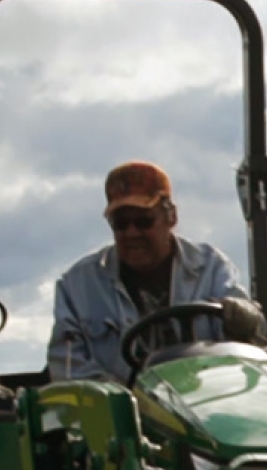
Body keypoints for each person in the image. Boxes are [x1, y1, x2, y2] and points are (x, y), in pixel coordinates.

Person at [47, 161, 248, 382]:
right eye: (120, 223)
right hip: (121, 411)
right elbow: (68, 370)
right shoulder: (77, 287)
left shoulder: (211, 268)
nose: (132, 233)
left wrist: (244, 318)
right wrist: (125, 401)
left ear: (171, 217)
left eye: (144, 221)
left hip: (203, 404)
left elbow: (247, 341)